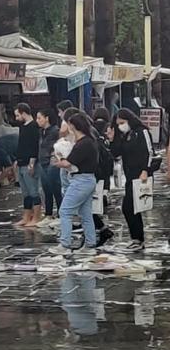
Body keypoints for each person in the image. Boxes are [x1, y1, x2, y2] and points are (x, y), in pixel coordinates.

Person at [50, 113, 99, 255]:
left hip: (80, 181)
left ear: (73, 126)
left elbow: (67, 162)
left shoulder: (83, 144)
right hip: (88, 179)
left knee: (65, 211)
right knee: (85, 213)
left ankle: (65, 243)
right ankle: (90, 243)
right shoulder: (89, 141)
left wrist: (56, 162)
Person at [111, 108, 152, 252]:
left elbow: (150, 152)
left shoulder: (141, 132)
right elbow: (116, 154)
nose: (120, 126)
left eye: (122, 122)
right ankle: (136, 238)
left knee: (130, 206)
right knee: (131, 208)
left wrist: (146, 170)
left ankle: (138, 239)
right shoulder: (125, 135)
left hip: (141, 174)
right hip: (129, 175)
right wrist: (112, 139)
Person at [14, 103, 41, 226]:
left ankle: (36, 217)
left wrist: (32, 162)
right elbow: (22, 145)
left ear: (24, 113)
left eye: (18, 115)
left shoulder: (34, 126)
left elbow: (34, 146)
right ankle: (26, 217)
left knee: (33, 191)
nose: (16, 118)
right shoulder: (23, 127)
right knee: (25, 193)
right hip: (20, 162)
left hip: (28, 163)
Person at [92, 108, 116, 247]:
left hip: (97, 166)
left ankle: (99, 229)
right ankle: (104, 195)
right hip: (105, 163)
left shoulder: (92, 129)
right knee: (103, 183)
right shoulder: (108, 126)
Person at [36, 108, 61, 227]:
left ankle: (61, 214)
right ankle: (48, 214)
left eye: (39, 118)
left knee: (56, 189)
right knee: (46, 190)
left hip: (51, 164)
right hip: (42, 162)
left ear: (47, 118)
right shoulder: (42, 132)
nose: (37, 120)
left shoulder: (55, 131)